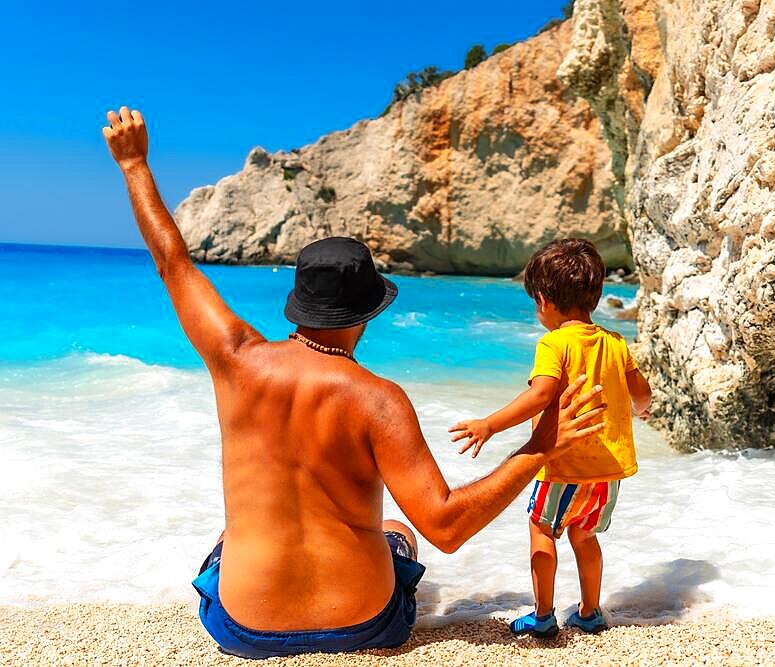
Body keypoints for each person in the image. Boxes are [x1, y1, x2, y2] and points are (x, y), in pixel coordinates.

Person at [102, 106, 607, 659]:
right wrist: (537, 449)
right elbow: (445, 527)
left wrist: (134, 165)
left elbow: (174, 264)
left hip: (244, 629)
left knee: (229, 543)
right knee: (399, 531)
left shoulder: (236, 358)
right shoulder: (378, 399)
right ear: (366, 314)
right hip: (366, 624)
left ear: (299, 304)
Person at [449, 239, 652, 637]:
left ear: (543, 300)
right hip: (607, 469)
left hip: (563, 466)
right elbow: (641, 394)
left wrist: (489, 425)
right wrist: (640, 411)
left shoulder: (553, 343)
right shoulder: (615, 342)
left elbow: (540, 394)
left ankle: (542, 617)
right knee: (585, 535)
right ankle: (590, 613)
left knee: (543, 530)